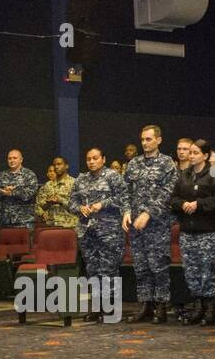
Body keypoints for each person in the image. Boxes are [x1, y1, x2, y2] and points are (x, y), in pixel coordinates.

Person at [123, 124, 178, 323]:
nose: (145, 143)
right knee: (141, 266)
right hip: (136, 225)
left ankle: (161, 306)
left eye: (149, 139)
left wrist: (148, 213)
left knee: (158, 265)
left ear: (158, 140)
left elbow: (167, 193)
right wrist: (127, 212)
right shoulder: (134, 164)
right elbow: (126, 191)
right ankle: (145, 305)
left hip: (157, 224)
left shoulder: (167, 164)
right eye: (143, 140)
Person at [169, 139, 215, 325]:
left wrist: (199, 204)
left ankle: (211, 307)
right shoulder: (183, 175)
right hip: (188, 231)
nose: (191, 156)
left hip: (210, 231)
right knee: (192, 271)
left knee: (207, 270)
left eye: (195, 153)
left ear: (206, 155)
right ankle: (198, 306)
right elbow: (173, 198)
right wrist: (183, 204)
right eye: (190, 152)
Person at [70, 147, 127, 323]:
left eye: (95, 158)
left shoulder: (113, 177)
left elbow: (124, 198)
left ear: (103, 159)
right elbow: (71, 202)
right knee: (92, 270)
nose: (92, 162)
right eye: (89, 159)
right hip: (87, 231)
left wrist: (103, 204)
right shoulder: (81, 180)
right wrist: (80, 208)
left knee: (108, 270)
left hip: (109, 232)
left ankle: (111, 308)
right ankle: (96, 308)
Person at [0, 150, 39, 230]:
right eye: (9, 158)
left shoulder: (29, 175)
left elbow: (31, 194)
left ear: (21, 159)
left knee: (25, 242)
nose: (12, 161)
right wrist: (3, 190)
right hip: (5, 220)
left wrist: (13, 192)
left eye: (15, 158)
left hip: (24, 221)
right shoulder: (1, 175)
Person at [36, 156, 77, 229]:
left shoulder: (74, 183)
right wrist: (48, 203)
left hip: (70, 225)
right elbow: (39, 205)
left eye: (59, 164)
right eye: (54, 165)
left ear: (66, 166)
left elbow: (78, 206)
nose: (56, 167)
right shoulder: (48, 185)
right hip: (51, 225)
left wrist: (60, 201)